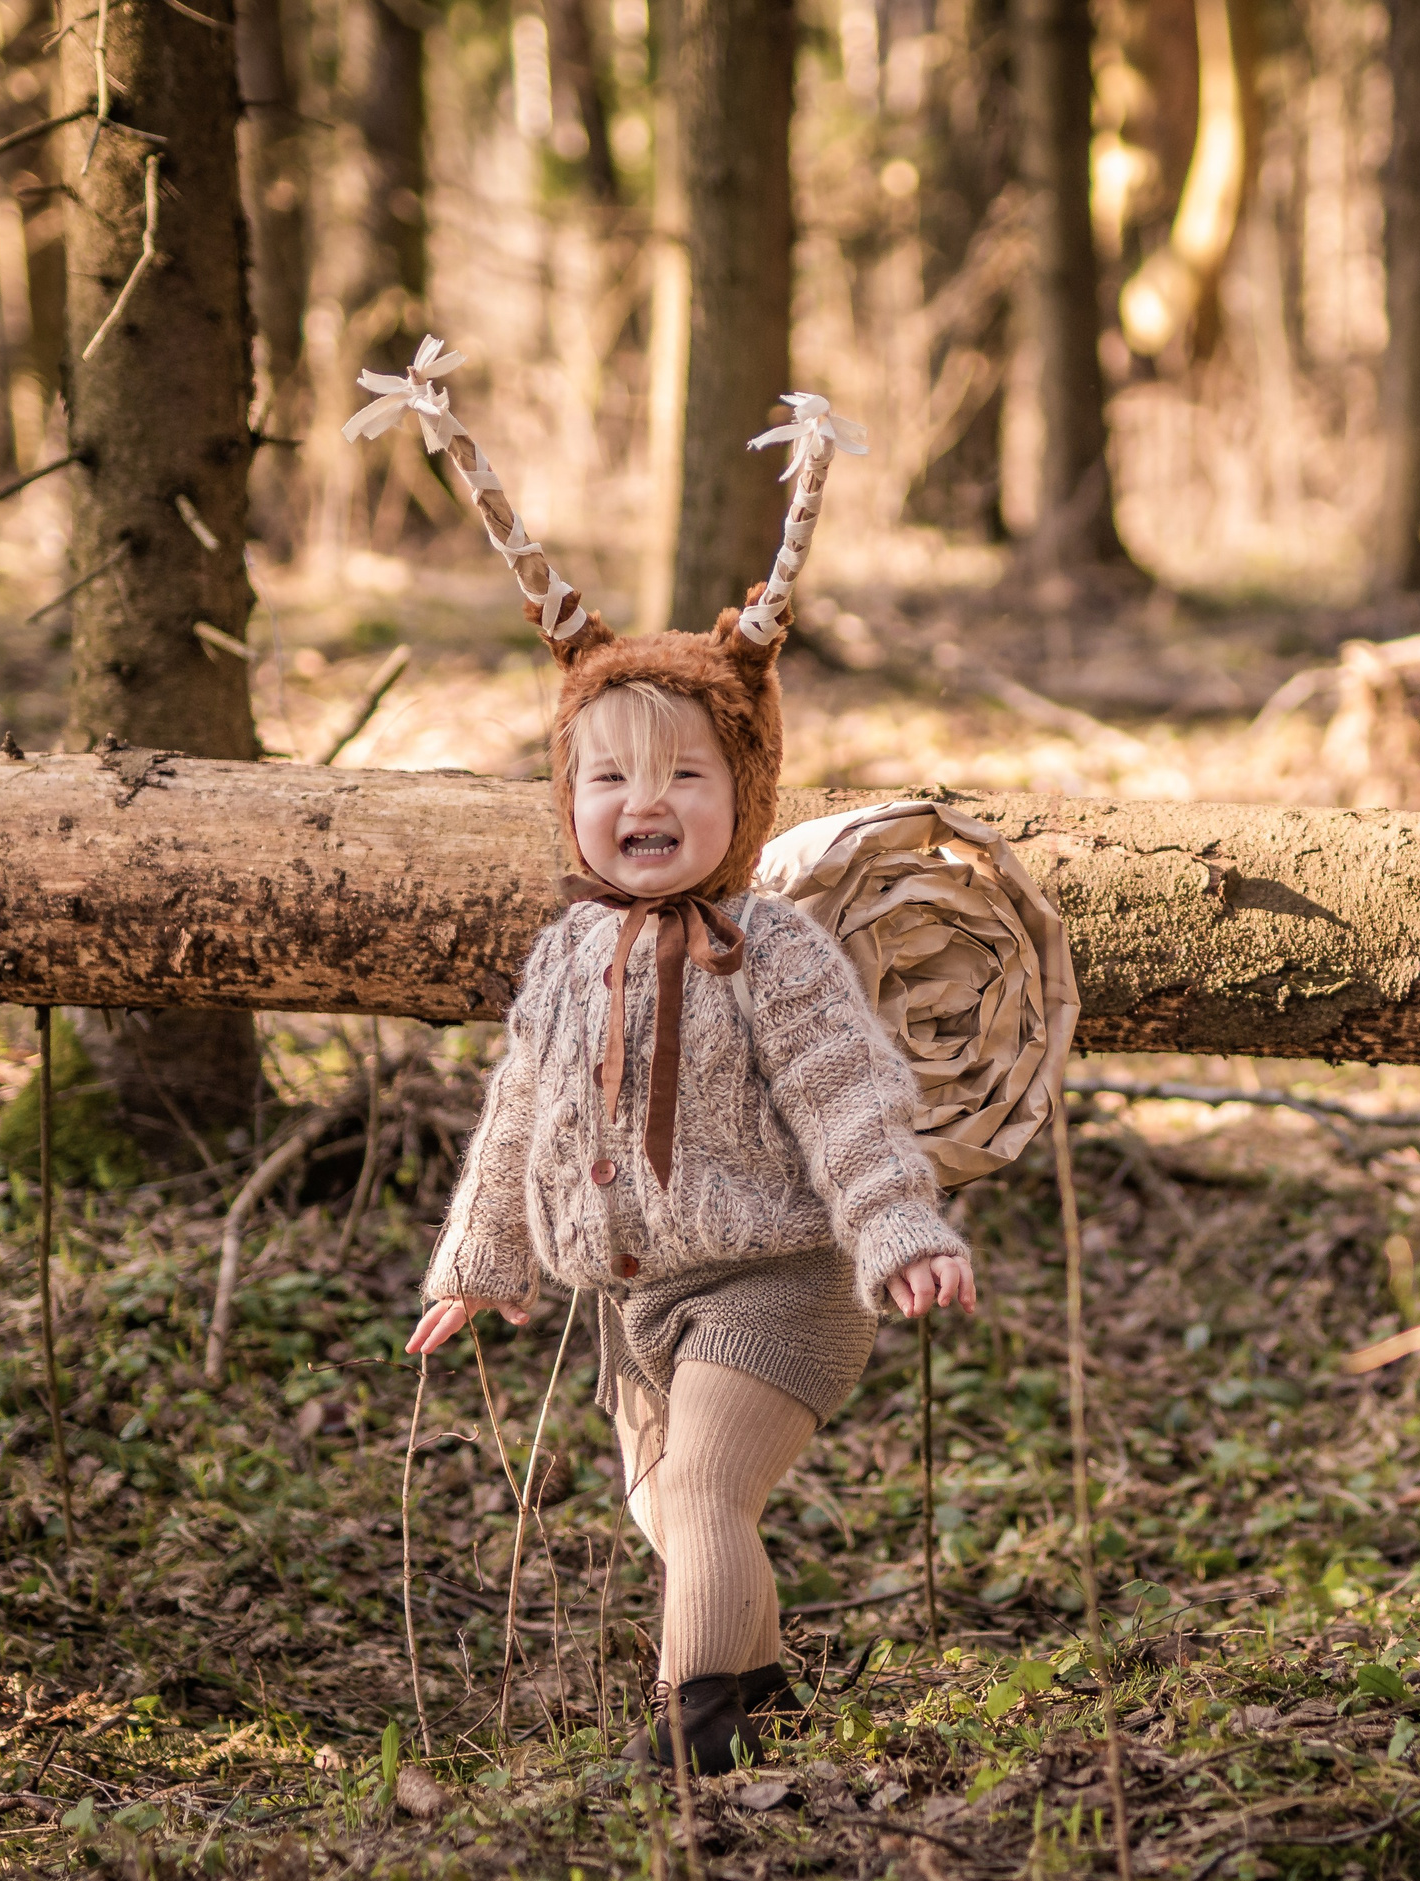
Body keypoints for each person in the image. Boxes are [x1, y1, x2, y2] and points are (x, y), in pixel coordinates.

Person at [406, 590, 975, 1774]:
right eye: (609, 778)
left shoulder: (772, 952)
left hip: (782, 1279)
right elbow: (521, 1111)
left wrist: (898, 1228)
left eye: (685, 777)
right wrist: (482, 1255)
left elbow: (847, 1098)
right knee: (666, 1507)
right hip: (638, 1297)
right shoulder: (569, 953)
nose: (645, 803)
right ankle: (763, 1699)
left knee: (708, 1486)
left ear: (745, 794)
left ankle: (692, 1740)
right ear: (570, 801)